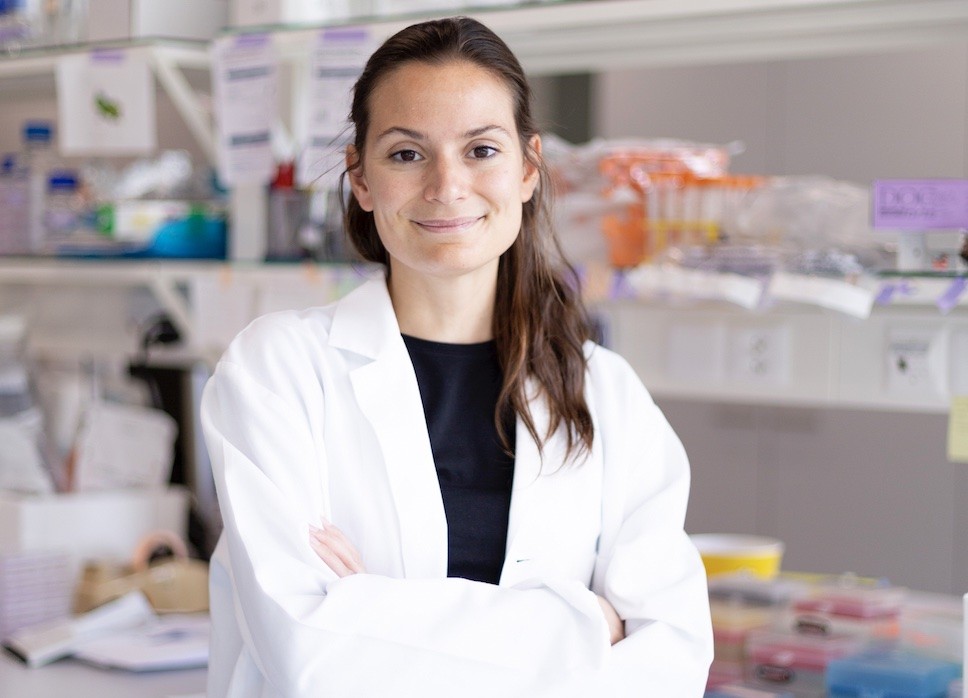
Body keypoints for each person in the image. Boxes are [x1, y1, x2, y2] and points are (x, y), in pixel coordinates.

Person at [201, 16, 713, 698]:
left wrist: (370, 609)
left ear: (529, 170)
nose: (447, 186)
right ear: (360, 177)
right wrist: (586, 623)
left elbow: (668, 664)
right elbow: (309, 659)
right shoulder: (278, 370)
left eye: (481, 150)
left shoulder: (605, 393)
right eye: (406, 154)